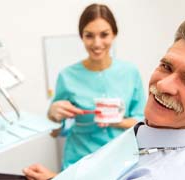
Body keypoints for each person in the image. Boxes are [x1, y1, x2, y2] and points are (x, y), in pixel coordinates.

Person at [23, 20, 185, 179]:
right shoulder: (155, 129)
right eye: (166, 66)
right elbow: (100, 168)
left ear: (114, 35)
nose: (163, 85)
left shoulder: (166, 170)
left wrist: (118, 121)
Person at [46, 3, 146, 171]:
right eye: (89, 36)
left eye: (104, 35)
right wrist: (53, 115)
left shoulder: (130, 72)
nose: (97, 43)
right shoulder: (67, 76)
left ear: (114, 34)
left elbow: (142, 121)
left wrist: (116, 121)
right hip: (79, 161)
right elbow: (56, 130)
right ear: (82, 37)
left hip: (121, 159)